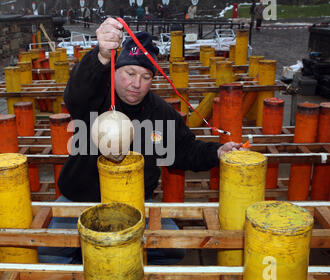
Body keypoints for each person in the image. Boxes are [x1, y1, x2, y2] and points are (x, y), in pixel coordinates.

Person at [38, 18, 243, 265]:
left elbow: (184, 149)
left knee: (172, 250)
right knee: (48, 253)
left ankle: (129, 268)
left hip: (135, 206)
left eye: (146, 77)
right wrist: (101, 55)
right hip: (80, 201)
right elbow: (76, 95)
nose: (136, 84)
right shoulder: (96, 97)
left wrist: (218, 151)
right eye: (130, 73)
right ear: (116, 71)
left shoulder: (160, 112)